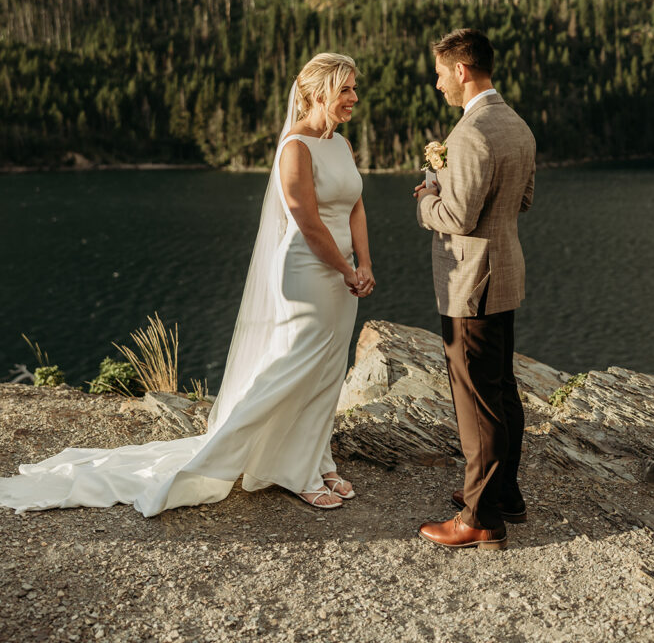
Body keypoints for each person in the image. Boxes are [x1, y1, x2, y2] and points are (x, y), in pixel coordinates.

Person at [0, 52, 374, 516]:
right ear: (319, 93)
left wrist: (366, 263)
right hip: (307, 273)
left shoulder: (341, 144)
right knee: (294, 368)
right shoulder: (295, 148)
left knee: (327, 371)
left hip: (343, 274)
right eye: (346, 89)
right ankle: (286, 469)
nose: (355, 97)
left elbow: (354, 206)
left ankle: (317, 457)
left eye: (355, 88)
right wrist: (345, 267)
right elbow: (308, 221)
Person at [413, 29, 535, 550]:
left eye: (440, 73)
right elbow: (522, 202)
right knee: (502, 390)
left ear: (462, 70)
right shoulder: (517, 125)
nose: (437, 83)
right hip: (505, 273)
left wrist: (425, 195)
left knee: (476, 401)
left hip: (471, 282)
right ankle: (504, 493)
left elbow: (456, 217)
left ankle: (480, 518)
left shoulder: (468, 135)